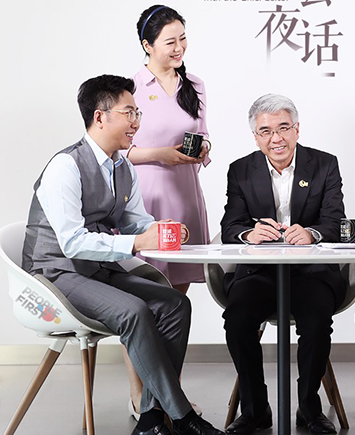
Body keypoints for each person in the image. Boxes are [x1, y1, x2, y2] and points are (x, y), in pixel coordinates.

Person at [21, 75, 223, 435]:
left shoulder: (122, 166)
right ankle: (183, 417)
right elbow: (72, 243)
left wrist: (160, 228)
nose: (136, 122)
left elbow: (134, 221)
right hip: (56, 275)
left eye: (137, 113)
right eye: (129, 113)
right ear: (100, 117)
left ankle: (150, 419)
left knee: (175, 304)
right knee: (134, 311)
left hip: (96, 270)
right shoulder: (65, 166)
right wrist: (138, 243)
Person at [220, 94, 346, 435]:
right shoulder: (241, 170)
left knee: (316, 319)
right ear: (255, 137)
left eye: (283, 128)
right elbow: (230, 227)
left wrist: (312, 233)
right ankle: (255, 410)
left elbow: (336, 221)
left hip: (311, 271)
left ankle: (309, 407)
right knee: (237, 319)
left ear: (297, 129)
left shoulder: (324, 164)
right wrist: (249, 234)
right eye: (266, 131)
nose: (276, 138)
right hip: (260, 271)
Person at [125, 4, 211, 417]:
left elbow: (204, 135)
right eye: (169, 41)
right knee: (141, 306)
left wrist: (202, 150)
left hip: (185, 199)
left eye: (183, 39)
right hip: (146, 203)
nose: (179, 48)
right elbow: (120, 149)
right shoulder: (130, 87)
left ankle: (166, 395)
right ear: (147, 45)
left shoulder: (194, 84)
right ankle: (139, 395)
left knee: (176, 303)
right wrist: (162, 154)